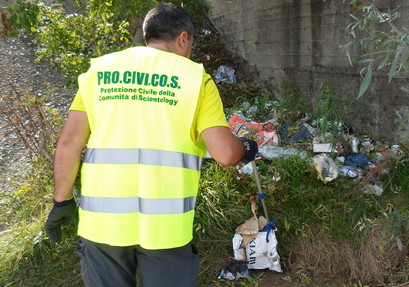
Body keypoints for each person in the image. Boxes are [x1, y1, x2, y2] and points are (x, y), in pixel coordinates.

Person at [44, 3, 258, 286]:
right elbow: (226, 154)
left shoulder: (100, 72)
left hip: (102, 226)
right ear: (184, 38)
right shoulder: (194, 79)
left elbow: (69, 142)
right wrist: (246, 147)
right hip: (165, 231)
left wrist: (62, 201)